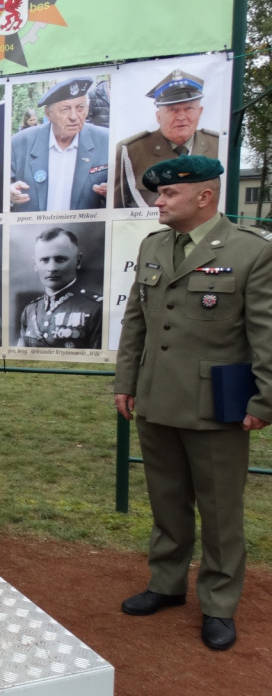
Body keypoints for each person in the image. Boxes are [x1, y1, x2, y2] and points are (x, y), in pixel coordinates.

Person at [115, 155, 272, 652]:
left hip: (216, 406)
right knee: (167, 501)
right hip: (156, 398)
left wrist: (265, 401)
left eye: (168, 194)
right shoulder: (154, 245)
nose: (158, 202)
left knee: (220, 511)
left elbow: (266, 334)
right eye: (158, 194)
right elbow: (136, 321)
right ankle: (166, 583)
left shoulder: (250, 251)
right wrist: (126, 381)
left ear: (204, 196)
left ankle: (219, 602)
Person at [113, 69, 220, 209]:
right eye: (172, 110)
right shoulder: (132, 151)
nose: (181, 117)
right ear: (158, 116)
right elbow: (118, 207)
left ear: (200, 112)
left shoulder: (218, 145)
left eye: (189, 108)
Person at [10, 77, 108, 212]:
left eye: (80, 108)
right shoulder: (19, 143)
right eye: (65, 109)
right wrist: (9, 192)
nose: (74, 116)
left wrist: (113, 193)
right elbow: (1, 186)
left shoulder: (106, 140)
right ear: (48, 114)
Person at [18, 227, 102, 349]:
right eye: (44, 260)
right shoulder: (30, 310)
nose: (52, 268)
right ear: (35, 264)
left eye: (60, 259)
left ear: (78, 261)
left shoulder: (96, 308)